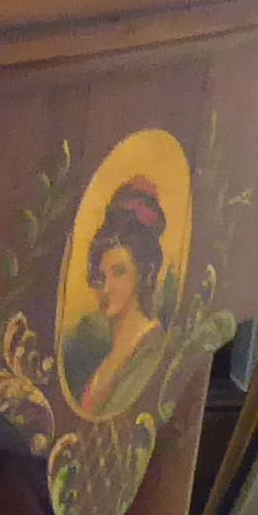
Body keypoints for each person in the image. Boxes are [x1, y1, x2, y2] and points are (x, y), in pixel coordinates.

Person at [60, 175, 170, 420]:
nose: (106, 288)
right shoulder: (108, 356)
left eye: (119, 272)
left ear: (142, 275)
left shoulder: (151, 353)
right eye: (100, 276)